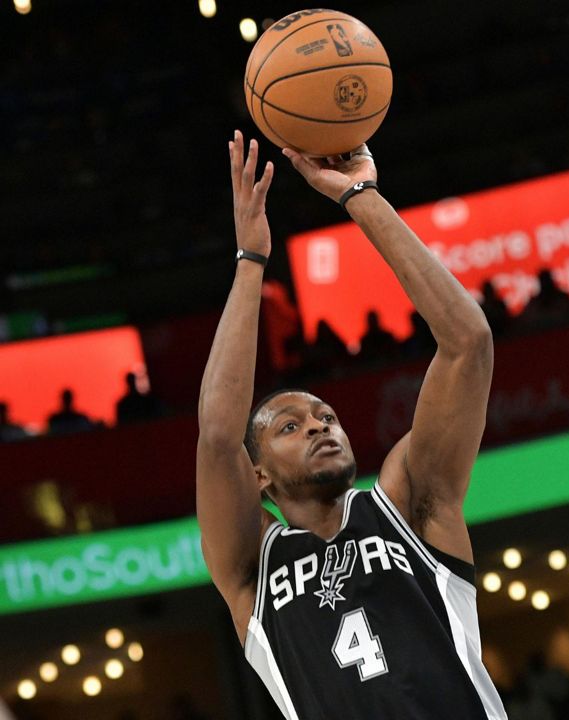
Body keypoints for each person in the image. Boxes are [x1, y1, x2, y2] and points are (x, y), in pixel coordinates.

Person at [196, 131, 505, 720]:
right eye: (290, 426)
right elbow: (216, 436)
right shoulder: (251, 566)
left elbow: (468, 343)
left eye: (326, 417)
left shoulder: (411, 504)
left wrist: (361, 195)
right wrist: (250, 261)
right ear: (257, 474)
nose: (318, 426)